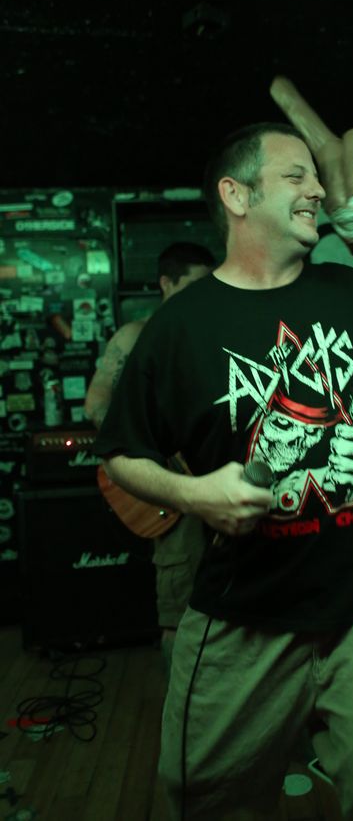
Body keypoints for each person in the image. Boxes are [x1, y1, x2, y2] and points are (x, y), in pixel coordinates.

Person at [93, 78, 353, 821]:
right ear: (237, 196)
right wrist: (195, 494)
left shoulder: (351, 295)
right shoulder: (179, 328)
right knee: (204, 794)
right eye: (296, 176)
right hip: (247, 620)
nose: (317, 191)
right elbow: (121, 454)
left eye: (315, 179)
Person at [85, 241, 215, 667]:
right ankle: (179, 704)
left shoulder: (209, 333)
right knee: (179, 611)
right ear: (166, 283)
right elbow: (96, 404)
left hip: (220, 483)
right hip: (174, 491)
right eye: (194, 285)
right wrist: (153, 454)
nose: (203, 295)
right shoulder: (135, 335)